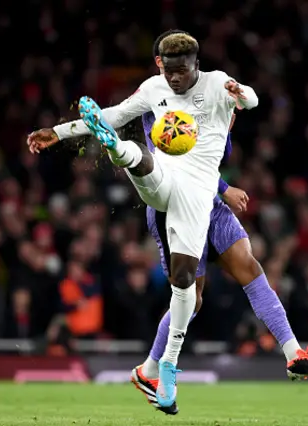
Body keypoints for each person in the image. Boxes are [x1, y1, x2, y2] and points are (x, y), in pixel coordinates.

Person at [27, 31, 256, 408]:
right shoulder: (153, 88)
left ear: (196, 65)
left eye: (183, 70)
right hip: (163, 179)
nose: (176, 78)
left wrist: (239, 91)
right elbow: (114, 114)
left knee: (183, 282)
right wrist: (59, 131)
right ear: (158, 65)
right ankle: (115, 146)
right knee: (134, 152)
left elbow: (253, 99)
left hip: (197, 195)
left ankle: (167, 366)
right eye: (170, 71)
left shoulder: (216, 83)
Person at [134, 30, 308, 415]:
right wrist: (224, 188)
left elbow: (221, 139)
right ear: (161, 65)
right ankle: (149, 369)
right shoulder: (153, 103)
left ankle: (293, 353)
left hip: (208, 200)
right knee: (192, 301)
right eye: (168, 64)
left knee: (249, 264)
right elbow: (167, 160)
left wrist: (236, 99)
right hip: (174, 204)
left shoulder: (211, 95)